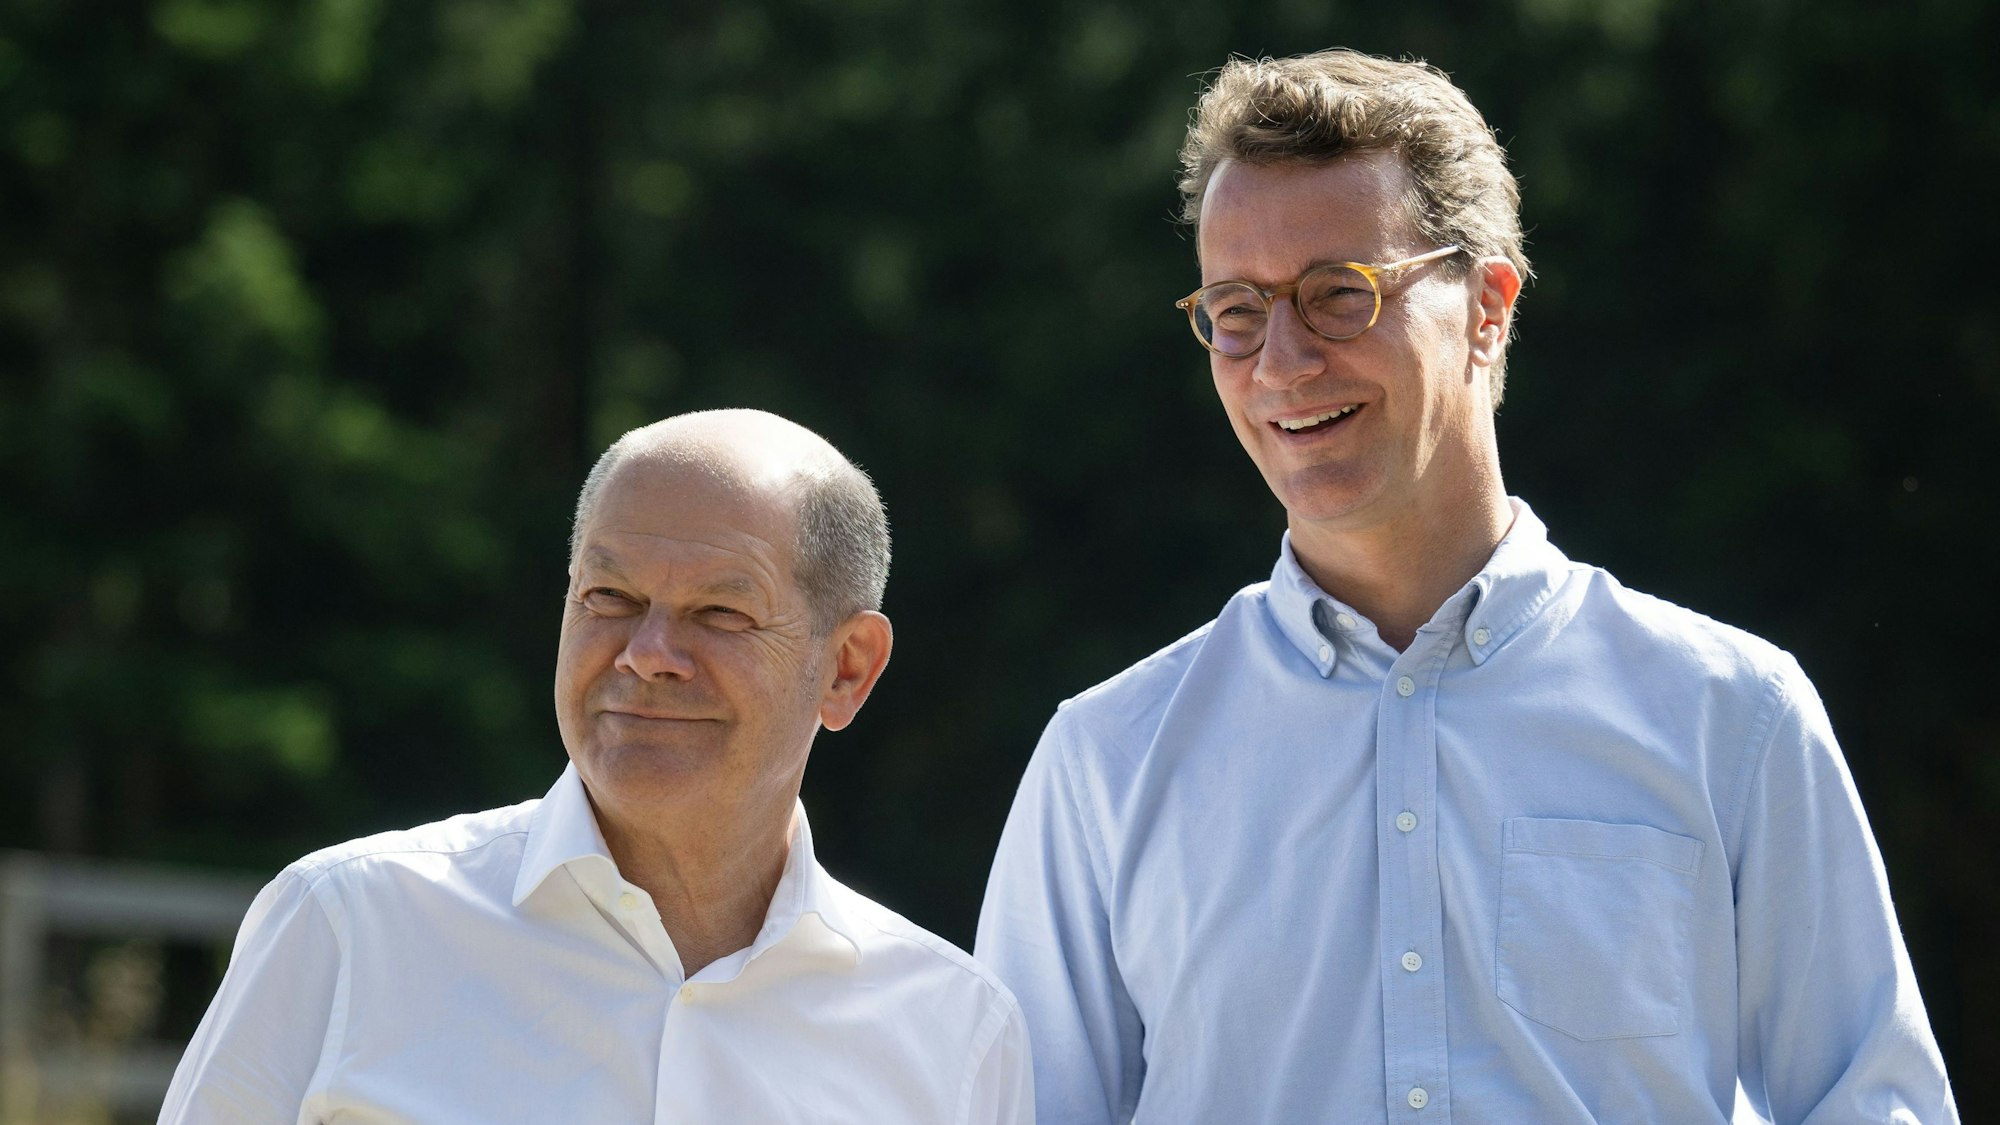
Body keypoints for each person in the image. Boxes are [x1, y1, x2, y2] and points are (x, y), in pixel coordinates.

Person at [974, 49, 1955, 1124]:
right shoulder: (1103, 761)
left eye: (1337, 296)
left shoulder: (1732, 714)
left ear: (1486, 306)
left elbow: (1869, 1103)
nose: (1281, 362)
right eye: (1236, 310)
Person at [163, 409, 1032, 1123]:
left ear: (846, 669)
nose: (647, 653)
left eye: (720, 611)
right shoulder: (350, 926)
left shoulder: (953, 1033)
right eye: (608, 597)